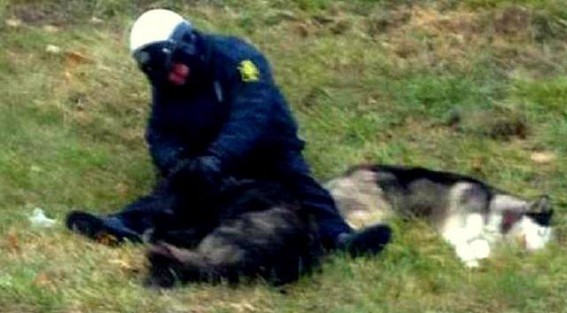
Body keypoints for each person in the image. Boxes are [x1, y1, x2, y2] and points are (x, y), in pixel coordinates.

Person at [66, 9, 392, 257]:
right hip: (209, 154)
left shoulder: (239, 59)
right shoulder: (167, 81)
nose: (174, 78)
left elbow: (252, 112)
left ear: (189, 45)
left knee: (299, 183)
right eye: (164, 75)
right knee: (174, 189)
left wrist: (218, 157)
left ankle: (339, 237)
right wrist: (176, 162)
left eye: (176, 66)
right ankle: (125, 225)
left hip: (268, 147)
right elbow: (160, 132)